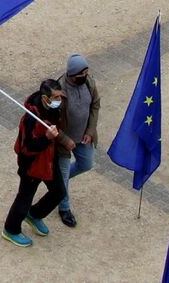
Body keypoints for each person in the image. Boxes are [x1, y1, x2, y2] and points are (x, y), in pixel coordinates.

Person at [3, 77, 66, 247]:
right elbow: (26, 148)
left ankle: (35, 214)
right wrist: (46, 138)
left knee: (59, 192)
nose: (59, 101)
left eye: (60, 97)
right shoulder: (30, 119)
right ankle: (11, 229)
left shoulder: (53, 111)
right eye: (56, 98)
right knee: (24, 199)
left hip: (49, 161)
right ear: (45, 99)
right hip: (31, 165)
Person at [55, 53, 100, 227]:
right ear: (72, 75)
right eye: (81, 75)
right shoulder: (59, 91)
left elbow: (95, 105)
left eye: (86, 73)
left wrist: (91, 130)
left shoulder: (90, 83)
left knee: (86, 164)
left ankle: (58, 181)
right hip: (64, 143)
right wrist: (65, 139)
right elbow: (52, 122)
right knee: (64, 172)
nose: (85, 77)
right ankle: (64, 208)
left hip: (84, 137)